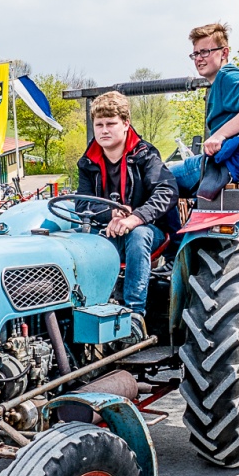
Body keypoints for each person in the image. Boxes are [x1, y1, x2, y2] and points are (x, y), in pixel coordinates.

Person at [77, 91, 178, 323]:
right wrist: (108, 213)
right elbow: (82, 203)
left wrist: (135, 218)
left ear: (125, 124)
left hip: (149, 230)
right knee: (77, 241)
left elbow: (167, 191)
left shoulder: (145, 155)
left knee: (138, 234)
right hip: (108, 230)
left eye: (111, 124)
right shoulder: (87, 163)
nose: (104, 130)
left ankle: (134, 314)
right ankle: (88, 310)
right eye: (99, 124)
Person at [168, 22, 239, 197]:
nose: (199, 58)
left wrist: (220, 135)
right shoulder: (222, 83)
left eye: (205, 52)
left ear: (224, 52)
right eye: (195, 53)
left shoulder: (227, 76)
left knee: (161, 180)